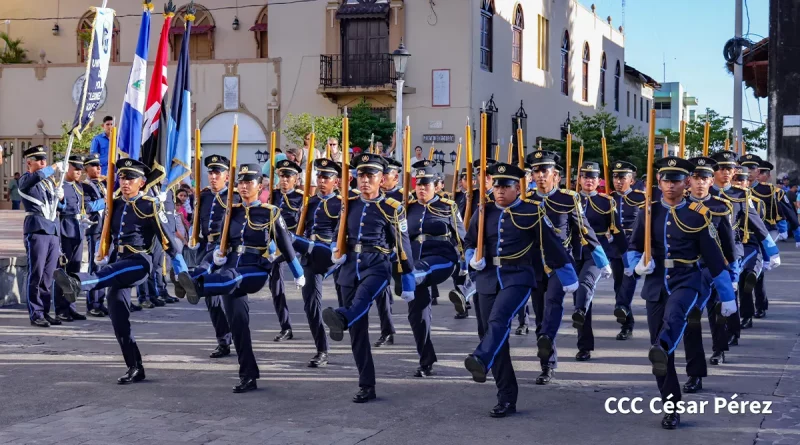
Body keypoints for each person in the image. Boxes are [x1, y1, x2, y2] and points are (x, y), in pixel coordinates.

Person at [625, 156, 737, 429]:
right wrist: (637, 265)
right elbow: (633, 247)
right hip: (655, 284)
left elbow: (714, 257)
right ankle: (671, 408)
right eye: (666, 180)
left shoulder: (698, 214)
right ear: (659, 182)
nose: (671, 185)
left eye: (676, 180)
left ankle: (663, 346)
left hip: (687, 280)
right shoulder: (648, 211)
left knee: (675, 317)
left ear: (686, 182)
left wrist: (727, 295)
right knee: (662, 359)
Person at [54, 158, 189, 383]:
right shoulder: (114, 202)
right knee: (119, 318)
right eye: (122, 177)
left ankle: (77, 283)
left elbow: (169, 243)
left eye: (131, 178)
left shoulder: (149, 205)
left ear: (142, 182)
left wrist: (182, 273)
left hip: (139, 261)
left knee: (108, 274)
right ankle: (135, 367)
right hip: (118, 258)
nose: (125, 182)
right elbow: (96, 218)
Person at [463, 161, 578, 417]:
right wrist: (472, 256)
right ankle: (506, 396)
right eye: (496, 185)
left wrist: (568, 275)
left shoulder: (532, 211)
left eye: (506, 186)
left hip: (519, 276)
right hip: (488, 277)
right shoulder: (484, 211)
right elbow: (469, 241)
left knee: (498, 319)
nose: (500, 191)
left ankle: (480, 358)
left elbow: (552, 244)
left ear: (518, 188)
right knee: (492, 334)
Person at [177, 163, 303, 393]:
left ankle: (197, 287)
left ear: (260, 185)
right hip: (231, 267)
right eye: (241, 182)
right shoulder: (231, 211)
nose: (244, 187)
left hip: (255, 268)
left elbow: (286, 244)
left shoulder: (270, 211)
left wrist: (298, 272)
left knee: (229, 278)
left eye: (249, 182)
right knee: (238, 326)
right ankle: (248, 375)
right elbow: (221, 242)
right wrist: (216, 254)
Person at [322, 153, 415, 403]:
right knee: (358, 332)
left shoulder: (392, 208)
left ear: (381, 179)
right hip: (349, 267)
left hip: (377, 266)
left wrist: (407, 279)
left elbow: (403, 245)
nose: (364, 180)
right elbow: (337, 232)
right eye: (360, 175)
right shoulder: (349, 204)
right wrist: (335, 249)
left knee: (360, 304)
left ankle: (341, 317)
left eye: (370, 176)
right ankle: (367, 384)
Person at [524, 150, 610, 385]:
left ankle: (546, 341)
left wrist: (602, 260)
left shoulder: (569, 199)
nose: (540, 176)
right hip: (534, 264)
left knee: (553, 302)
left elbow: (585, 230)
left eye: (545, 171)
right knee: (540, 314)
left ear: (556, 176)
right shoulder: (525, 199)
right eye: (536, 171)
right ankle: (547, 362)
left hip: (560, 264)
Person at [680, 156, 737, 394]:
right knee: (692, 318)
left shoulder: (720, 207)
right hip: (691, 271)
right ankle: (695, 373)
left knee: (718, 312)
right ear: (688, 181)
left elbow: (729, 245)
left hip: (716, 269)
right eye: (696, 178)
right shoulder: (679, 206)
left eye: (705, 178)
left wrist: (731, 276)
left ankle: (720, 348)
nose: (700, 183)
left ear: (711, 181)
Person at [405, 165, 466, 377]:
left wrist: (465, 266)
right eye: (418, 184)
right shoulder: (408, 207)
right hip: (415, 262)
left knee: (416, 274)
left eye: (426, 185)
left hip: (442, 258)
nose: (421, 188)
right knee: (417, 316)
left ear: (435, 186)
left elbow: (461, 237)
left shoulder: (447, 206)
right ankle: (426, 360)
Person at [175, 155, 236, 359]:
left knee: (230, 298)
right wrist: (195, 236)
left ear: (227, 176)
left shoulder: (234, 198)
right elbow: (199, 220)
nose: (213, 176)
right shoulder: (203, 196)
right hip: (207, 246)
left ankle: (238, 334)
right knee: (212, 299)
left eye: (217, 173)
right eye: (210, 172)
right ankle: (223, 341)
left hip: (227, 250)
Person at [572, 162, 628, 361]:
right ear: (579, 179)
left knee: (585, 284)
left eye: (593, 177)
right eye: (585, 177)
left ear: (598, 181)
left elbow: (617, 230)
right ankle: (584, 345)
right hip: (574, 252)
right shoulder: (571, 199)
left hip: (596, 253)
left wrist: (626, 257)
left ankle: (580, 313)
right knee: (580, 295)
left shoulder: (606, 202)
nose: (589, 181)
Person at [290, 158, 343, 367]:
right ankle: (322, 350)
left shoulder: (341, 203)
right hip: (310, 256)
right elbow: (302, 229)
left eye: (326, 177)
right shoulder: (310, 202)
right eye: (319, 176)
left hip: (329, 254)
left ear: (336, 181)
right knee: (311, 305)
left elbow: (341, 233)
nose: (321, 180)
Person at [19, 145, 66, 327]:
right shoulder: (26, 180)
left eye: (44, 160)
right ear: (29, 163)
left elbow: (59, 208)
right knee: (36, 274)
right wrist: (53, 167)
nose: (43, 163)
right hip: (37, 229)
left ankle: (45, 312)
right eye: (39, 160)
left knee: (47, 276)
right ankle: (36, 313)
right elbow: (38, 176)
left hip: (52, 231)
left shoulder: (48, 183)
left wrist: (60, 199)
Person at [52, 155, 97, 322]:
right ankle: (60, 309)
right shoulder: (61, 186)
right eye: (76, 168)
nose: (79, 172)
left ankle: (71, 308)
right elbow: (57, 209)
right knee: (62, 273)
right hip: (65, 230)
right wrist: (61, 200)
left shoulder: (79, 186)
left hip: (78, 230)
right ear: (67, 169)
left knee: (74, 271)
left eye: (80, 169)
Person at [609, 161, 646, 341]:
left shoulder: (641, 198)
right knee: (618, 284)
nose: (618, 181)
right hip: (617, 246)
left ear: (631, 180)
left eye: (622, 177)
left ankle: (623, 309)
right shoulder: (609, 199)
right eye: (615, 177)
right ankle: (626, 322)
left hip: (635, 246)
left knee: (629, 280)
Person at [269, 159, 305, 341]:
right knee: (275, 286)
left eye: (288, 177)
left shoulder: (301, 197)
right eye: (281, 176)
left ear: (295, 179)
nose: (284, 180)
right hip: (275, 244)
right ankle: (285, 326)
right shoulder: (272, 196)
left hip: (295, 242)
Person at [83, 153, 109, 317]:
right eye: (94, 165)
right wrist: (105, 201)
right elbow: (87, 207)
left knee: (105, 267)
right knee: (95, 267)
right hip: (95, 230)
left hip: (106, 230)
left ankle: (101, 301)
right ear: (86, 169)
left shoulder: (103, 184)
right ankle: (92, 303)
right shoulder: (85, 186)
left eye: (99, 165)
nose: (98, 168)